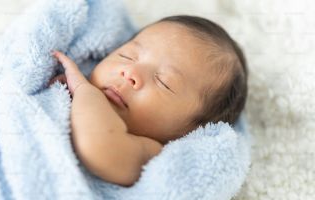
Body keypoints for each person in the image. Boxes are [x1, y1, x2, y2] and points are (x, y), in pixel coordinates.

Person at [48, 15, 248, 187]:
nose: (130, 72)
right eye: (127, 56)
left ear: (190, 132)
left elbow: (98, 150)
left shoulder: (150, 151)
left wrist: (84, 90)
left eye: (164, 82)